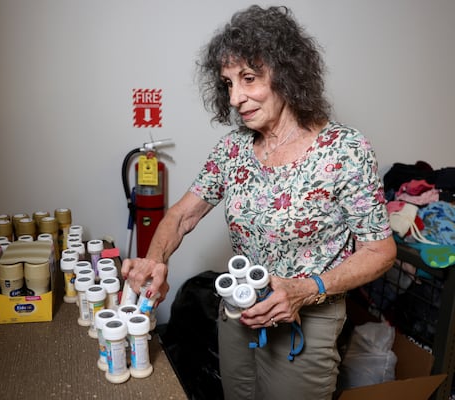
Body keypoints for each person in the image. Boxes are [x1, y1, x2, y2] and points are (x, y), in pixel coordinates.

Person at [121, 5, 396, 399]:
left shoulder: (344, 149)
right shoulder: (234, 148)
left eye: (248, 78)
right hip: (238, 311)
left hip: (306, 319)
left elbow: (380, 249)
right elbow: (181, 216)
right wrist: (155, 260)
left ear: (286, 72)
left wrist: (307, 288)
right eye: (228, 83)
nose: (235, 97)